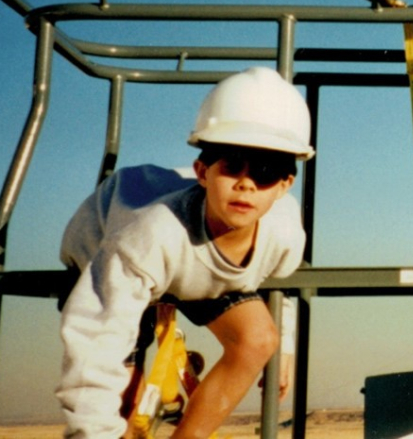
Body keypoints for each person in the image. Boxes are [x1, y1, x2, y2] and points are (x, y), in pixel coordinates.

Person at [56, 67, 313, 439]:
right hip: (109, 248)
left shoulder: (285, 232)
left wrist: (285, 347)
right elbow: (96, 341)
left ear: (284, 187)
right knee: (125, 408)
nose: (246, 183)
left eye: (264, 172)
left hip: (190, 269)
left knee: (258, 340)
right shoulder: (148, 236)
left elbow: (280, 283)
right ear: (202, 172)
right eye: (232, 167)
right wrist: (92, 433)